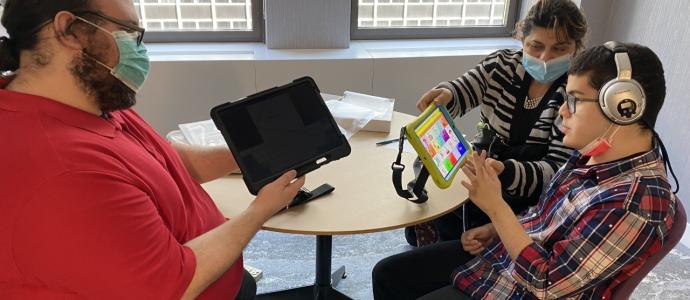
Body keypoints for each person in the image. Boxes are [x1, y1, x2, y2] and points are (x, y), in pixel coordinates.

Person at [0, 0, 305, 299]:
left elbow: (165, 161)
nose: (141, 50)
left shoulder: (91, 102)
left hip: (222, 273)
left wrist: (254, 153)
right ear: (71, 31)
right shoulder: (63, 170)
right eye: (129, 32)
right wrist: (259, 211)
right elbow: (175, 285)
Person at [373, 42, 680, 299]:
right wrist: (496, 231)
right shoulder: (594, 154)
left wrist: (496, 209)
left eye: (574, 100)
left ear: (621, 107)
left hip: (529, 287)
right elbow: (546, 217)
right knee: (387, 275)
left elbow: (547, 284)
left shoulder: (635, 203)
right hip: (508, 259)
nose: (562, 110)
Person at [406, 0, 587, 246]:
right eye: (535, 46)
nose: (545, 57)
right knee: (431, 194)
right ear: (522, 40)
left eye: (559, 49)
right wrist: (448, 94)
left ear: (576, 48)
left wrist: (507, 172)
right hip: (485, 163)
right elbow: (465, 88)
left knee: (461, 233)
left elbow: (558, 171)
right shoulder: (503, 65)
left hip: (525, 195)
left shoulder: (575, 93)